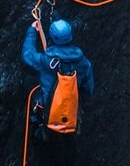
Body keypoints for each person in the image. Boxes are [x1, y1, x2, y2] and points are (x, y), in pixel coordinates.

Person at [22, 18, 94, 166]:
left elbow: (27, 55)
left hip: (48, 114)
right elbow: (89, 90)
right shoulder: (84, 63)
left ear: (52, 38)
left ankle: (39, 138)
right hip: (71, 113)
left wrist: (31, 31)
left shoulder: (46, 61)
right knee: (70, 143)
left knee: (36, 102)